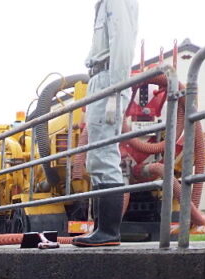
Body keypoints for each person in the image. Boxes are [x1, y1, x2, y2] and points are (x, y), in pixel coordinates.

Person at [74, 0, 139, 248]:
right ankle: (102, 228)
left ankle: (109, 231)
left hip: (108, 79)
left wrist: (115, 88)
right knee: (95, 158)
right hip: (100, 78)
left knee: (103, 155)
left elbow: (121, 42)